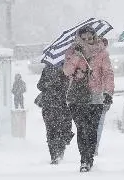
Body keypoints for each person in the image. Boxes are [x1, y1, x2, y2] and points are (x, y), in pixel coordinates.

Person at [60, 27, 115, 172]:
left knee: (92, 129)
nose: (86, 41)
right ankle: (84, 159)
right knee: (81, 128)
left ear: (94, 37)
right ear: (79, 39)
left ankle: (89, 156)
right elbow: (66, 71)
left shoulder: (101, 53)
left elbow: (108, 73)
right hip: (76, 96)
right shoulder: (72, 52)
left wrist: (108, 92)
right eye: (83, 39)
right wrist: (77, 57)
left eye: (89, 38)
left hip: (95, 95)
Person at [36, 62, 74, 164]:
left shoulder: (50, 69)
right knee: (60, 130)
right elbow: (40, 85)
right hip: (60, 106)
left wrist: (49, 85)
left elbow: (40, 86)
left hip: (52, 106)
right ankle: (58, 153)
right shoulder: (66, 69)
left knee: (52, 131)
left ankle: (55, 155)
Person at [93, 37, 112, 152]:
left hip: (92, 94)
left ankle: (90, 147)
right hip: (100, 94)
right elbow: (109, 75)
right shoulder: (103, 55)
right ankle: (94, 147)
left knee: (89, 124)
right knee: (98, 124)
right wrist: (108, 93)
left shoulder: (87, 53)